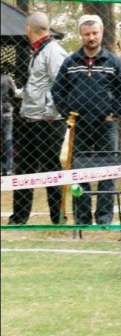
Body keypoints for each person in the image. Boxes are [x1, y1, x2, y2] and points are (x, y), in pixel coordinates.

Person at [52, 14, 121, 225]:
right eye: (87, 34)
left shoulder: (114, 62)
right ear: (81, 35)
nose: (91, 38)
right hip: (79, 127)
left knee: (107, 172)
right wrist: (67, 113)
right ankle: (81, 218)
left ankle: (104, 218)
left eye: (95, 33)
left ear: (101, 33)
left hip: (106, 127)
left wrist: (114, 112)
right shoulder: (71, 62)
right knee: (79, 175)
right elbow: (57, 91)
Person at [8, 12, 68, 225]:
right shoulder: (38, 51)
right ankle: (19, 217)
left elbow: (61, 85)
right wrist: (16, 92)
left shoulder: (53, 52)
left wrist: (50, 113)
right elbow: (38, 86)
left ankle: (58, 217)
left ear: (28, 28)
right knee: (24, 167)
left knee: (50, 167)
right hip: (31, 120)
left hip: (48, 123)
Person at [1, 68, 17, 176]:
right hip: (7, 110)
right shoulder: (8, 78)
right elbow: (15, 93)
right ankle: (9, 167)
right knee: (8, 139)